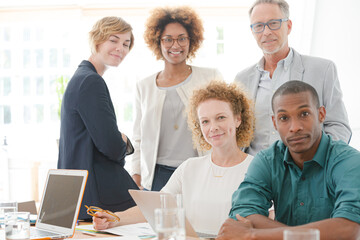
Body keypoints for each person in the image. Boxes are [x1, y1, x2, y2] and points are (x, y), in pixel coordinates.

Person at [92, 81, 255, 235]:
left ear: (237, 119)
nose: (213, 127)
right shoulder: (189, 168)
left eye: (221, 117)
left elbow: (271, 219)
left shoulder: (256, 169)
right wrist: (115, 219)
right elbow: (156, 209)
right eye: (205, 121)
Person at [217, 81, 360, 240]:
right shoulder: (267, 160)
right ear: (274, 123)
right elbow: (243, 214)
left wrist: (253, 235)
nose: (295, 127)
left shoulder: (349, 161)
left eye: (304, 114)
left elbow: (350, 228)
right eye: (284, 118)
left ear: (321, 114)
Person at [234, 0, 351, 156]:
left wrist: (317, 162)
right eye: (259, 26)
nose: (266, 32)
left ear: (288, 26)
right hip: (255, 170)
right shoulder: (242, 79)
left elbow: (339, 126)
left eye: (273, 23)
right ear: (253, 31)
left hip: (305, 170)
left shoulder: (322, 70)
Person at [130, 6, 223, 191]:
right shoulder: (144, 86)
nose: (175, 45)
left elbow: (223, 124)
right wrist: (136, 176)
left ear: (191, 41)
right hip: (157, 177)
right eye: (168, 39)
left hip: (199, 171)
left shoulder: (210, 77)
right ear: (158, 42)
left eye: (182, 38)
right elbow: (139, 138)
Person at [58, 16, 138, 220]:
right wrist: (125, 142)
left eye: (126, 44)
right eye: (114, 40)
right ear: (97, 40)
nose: (120, 48)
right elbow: (111, 145)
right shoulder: (90, 82)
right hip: (98, 195)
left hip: (81, 193)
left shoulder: (81, 78)